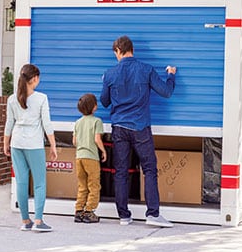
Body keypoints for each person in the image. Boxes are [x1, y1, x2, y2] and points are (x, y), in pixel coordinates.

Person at [100, 35, 176, 228]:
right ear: (131, 49)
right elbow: (166, 92)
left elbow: (105, 101)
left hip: (119, 128)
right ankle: (152, 214)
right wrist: (171, 75)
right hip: (141, 128)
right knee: (149, 169)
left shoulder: (110, 74)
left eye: (115, 53)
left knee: (121, 172)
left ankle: (124, 216)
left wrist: (105, 82)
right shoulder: (146, 70)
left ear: (118, 50)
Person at [4, 64, 58, 232]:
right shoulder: (41, 98)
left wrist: (5, 143)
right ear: (34, 79)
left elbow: (9, 123)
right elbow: (47, 124)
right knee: (40, 183)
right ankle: (39, 221)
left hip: (16, 143)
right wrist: (53, 145)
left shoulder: (12, 99)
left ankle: (26, 221)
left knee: (21, 182)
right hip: (34, 144)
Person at [72, 93, 107, 224]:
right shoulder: (97, 121)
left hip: (79, 157)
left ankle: (79, 210)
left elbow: (74, 141)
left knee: (82, 185)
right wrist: (103, 151)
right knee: (94, 185)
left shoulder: (77, 122)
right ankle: (89, 211)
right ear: (94, 108)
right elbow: (97, 139)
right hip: (91, 158)